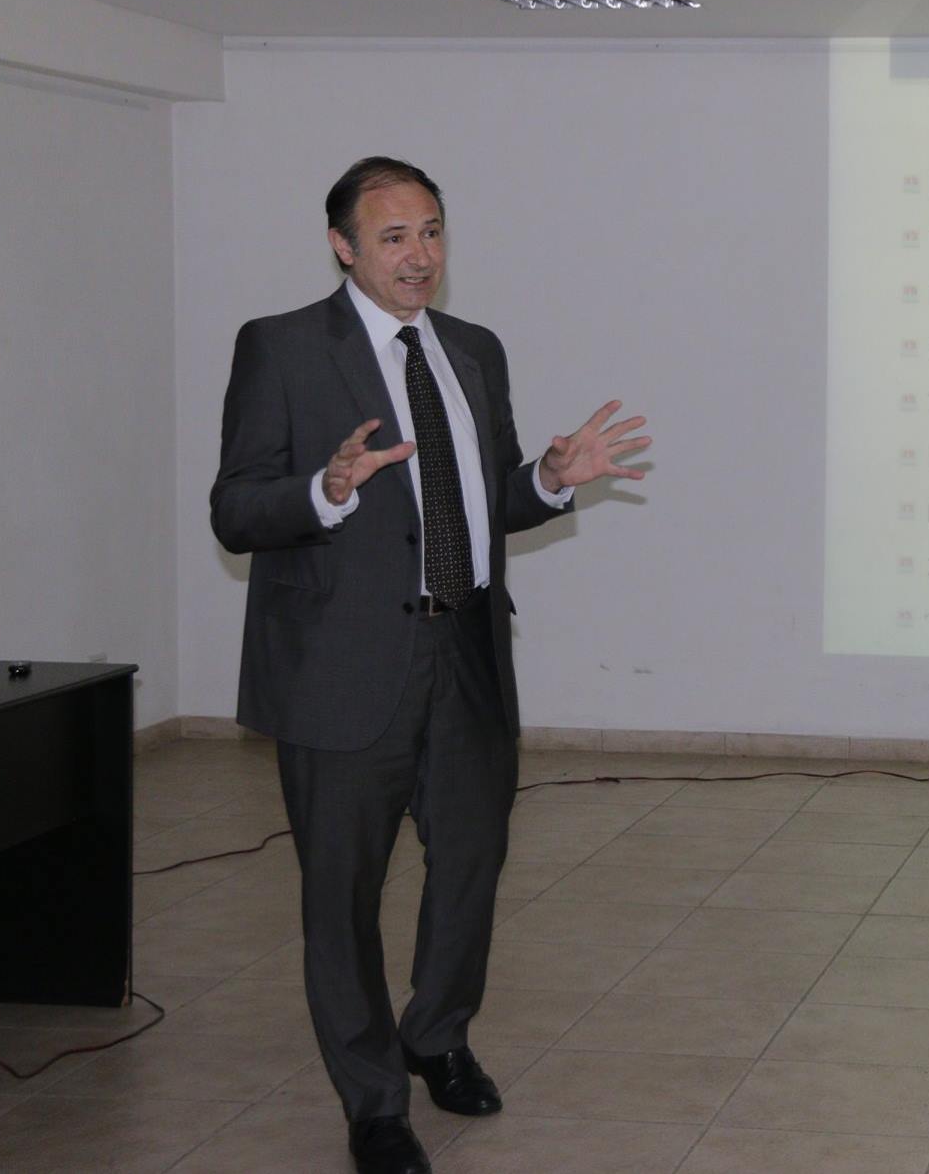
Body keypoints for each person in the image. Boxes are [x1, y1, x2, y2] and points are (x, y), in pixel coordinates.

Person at [211, 157, 649, 1174]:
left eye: (433, 232)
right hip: (341, 668)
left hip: (466, 652)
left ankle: (437, 1035)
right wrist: (324, 490)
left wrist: (549, 479)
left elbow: (482, 500)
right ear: (343, 247)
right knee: (342, 896)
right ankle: (372, 1103)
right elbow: (235, 508)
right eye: (395, 237)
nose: (420, 256)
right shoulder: (282, 347)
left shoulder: (473, 350)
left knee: (471, 864)